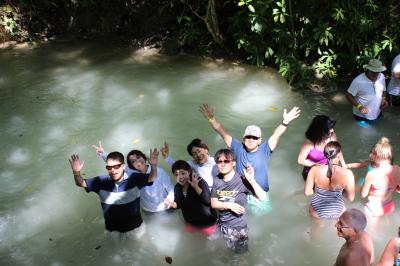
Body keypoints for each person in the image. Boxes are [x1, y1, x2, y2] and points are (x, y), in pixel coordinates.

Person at [199, 103, 301, 215]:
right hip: (240, 194)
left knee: (264, 221)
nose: (251, 139)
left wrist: (285, 122)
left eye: (255, 137)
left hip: (259, 195)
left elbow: (276, 135)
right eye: (248, 136)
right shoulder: (237, 147)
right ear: (244, 138)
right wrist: (211, 119)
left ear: (259, 140)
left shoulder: (265, 149)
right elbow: (223, 133)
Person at [68, 149, 158, 239]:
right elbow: (81, 183)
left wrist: (153, 166)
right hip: (113, 230)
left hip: (136, 228)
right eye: (109, 167)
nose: (113, 170)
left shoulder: (134, 179)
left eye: (116, 166)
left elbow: (151, 178)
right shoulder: (100, 182)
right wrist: (76, 173)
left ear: (123, 166)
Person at [92, 142, 174, 213]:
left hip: (166, 207)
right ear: (132, 166)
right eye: (133, 161)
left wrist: (170, 200)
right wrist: (103, 153)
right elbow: (116, 165)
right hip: (148, 210)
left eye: (138, 157)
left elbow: (170, 188)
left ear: (144, 157)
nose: (137, 161)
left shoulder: (160, 171)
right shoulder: (132, 174)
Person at [210, 149, 266, 253]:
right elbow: (214, 203)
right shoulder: (217, 180)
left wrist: (252, 180)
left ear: (234, 163)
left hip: (238, 227)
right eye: (219, 161)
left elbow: (262, 197)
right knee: (224, 251)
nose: (222, 164)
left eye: (226, 161)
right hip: (222, 223)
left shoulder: (242, 180)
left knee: (240, 255)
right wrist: (230, 205)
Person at [164, 160, 217, 236]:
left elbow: (208, 201)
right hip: (191, 222)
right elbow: (179, 205)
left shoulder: (199, 182)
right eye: (176, 174)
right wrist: (172, 204)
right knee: (191, 240)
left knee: (211, 243)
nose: (180, 177)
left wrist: (196, 187)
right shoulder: (177, 188)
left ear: (189, 172)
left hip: (207, 222)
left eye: (183, 173)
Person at [304, 141, 355, 219]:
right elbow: (351, 198)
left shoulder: (314, 170)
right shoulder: (348, 174)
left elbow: (307, 193)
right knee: (336, 227)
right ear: (339, 154)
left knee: (316, 230)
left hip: (316, 210)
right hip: (337, 210)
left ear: (324, 154)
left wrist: (320, 192)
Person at [298, 115, 346, 181]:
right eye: (330, 128)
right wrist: (317, 165)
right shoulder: (309, 143)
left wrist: (343, 165)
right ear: (321, 130)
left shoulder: (332, 137)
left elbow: (338, 151)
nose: (332, 130)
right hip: (312, 172)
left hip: (329, 169)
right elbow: (301, 160)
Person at [361, 137, 400, 217]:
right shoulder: (397, 169)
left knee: (372, 230)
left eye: (373, 154)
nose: (371, 155)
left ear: (377, 156)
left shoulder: (372, 174)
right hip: (389, 205)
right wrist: (390, 189)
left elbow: (363, 194)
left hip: (374, 208)